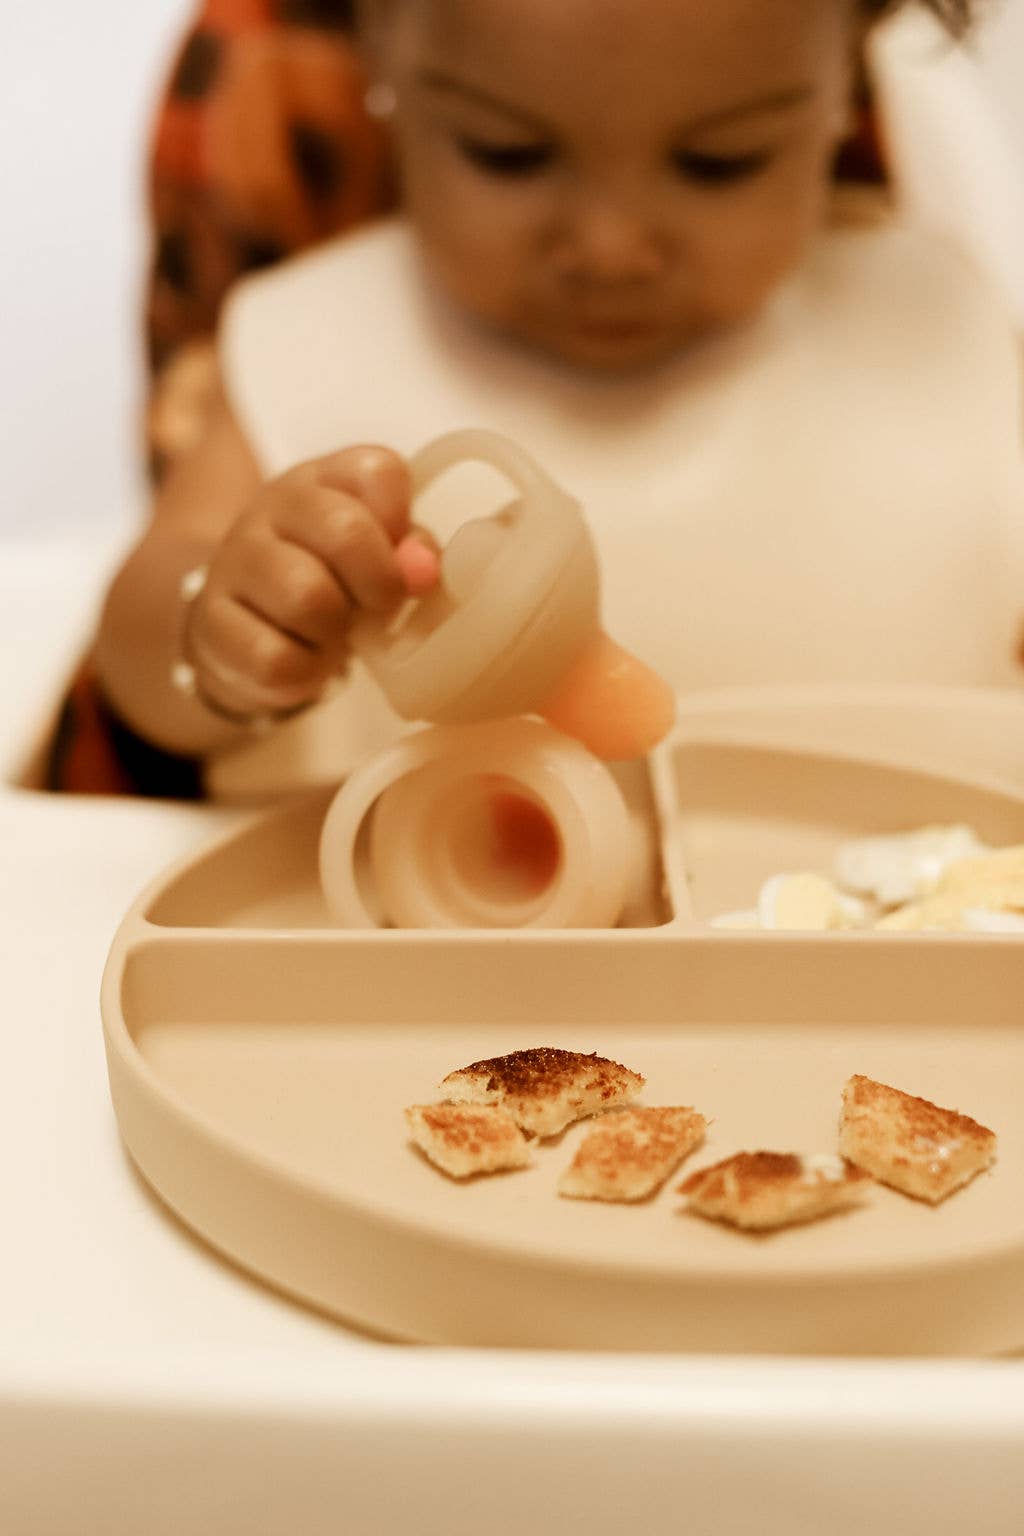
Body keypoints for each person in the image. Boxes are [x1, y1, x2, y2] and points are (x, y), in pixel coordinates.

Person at [66, 0, 1024, 797]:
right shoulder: (306, 342)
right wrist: (221, 631)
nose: (610, 248)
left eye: (721, 161)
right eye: (506, 152)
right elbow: (138, 654)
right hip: (389, 983)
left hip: (887, 971)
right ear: (375, 49)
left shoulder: (950, 330)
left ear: (851, 78)